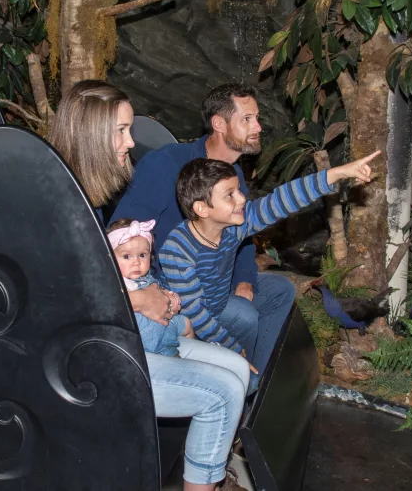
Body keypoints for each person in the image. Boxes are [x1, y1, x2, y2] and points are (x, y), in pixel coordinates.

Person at [49, 79, 250, 491]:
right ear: (89, 135)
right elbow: (64, 292)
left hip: (126, 331)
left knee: (233, 366)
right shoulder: (58, 201)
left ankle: (206, 467)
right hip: (89, 351)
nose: (130, 142)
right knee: (223, 390)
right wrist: (140, 299)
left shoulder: (90, 199)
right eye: (121, 131)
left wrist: (158, 300)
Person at [111, 83, 294, 382]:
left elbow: (242, 233)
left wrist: (245, 280)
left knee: (280, 290)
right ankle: (240, 382)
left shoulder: (233, 175)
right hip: (174, 286)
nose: (258, 127)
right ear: (219, 124)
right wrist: (147, 292)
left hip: (215, 277)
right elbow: (121, 234)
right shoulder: (166, 164)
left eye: (257, 118)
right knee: (244, 315)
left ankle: (257, 384)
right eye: (247, 119)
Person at [160, 154, 380, 359]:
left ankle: (260, 368)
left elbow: (281, 200)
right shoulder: (177, 250)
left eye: (239, 190)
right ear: (202, 209)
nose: (241, 199)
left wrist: (338, 173)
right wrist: (233, 348)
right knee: (246, 316)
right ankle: (245, 369)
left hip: (218, 303)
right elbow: (196, 314)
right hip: (189, 325)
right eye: (230, 195)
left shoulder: (233, 227)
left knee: (281, 289)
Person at [108, 218, 193, 357]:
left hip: (164, 325)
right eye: (127, 256)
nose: (136, 262)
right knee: (174, 356)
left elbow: (159, 292)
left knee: (186, 323)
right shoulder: (116, 283)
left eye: (142, 255)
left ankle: (196, 350)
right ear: (110, 258)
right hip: (150, 341)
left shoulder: (147, 277)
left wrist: (171, 299)